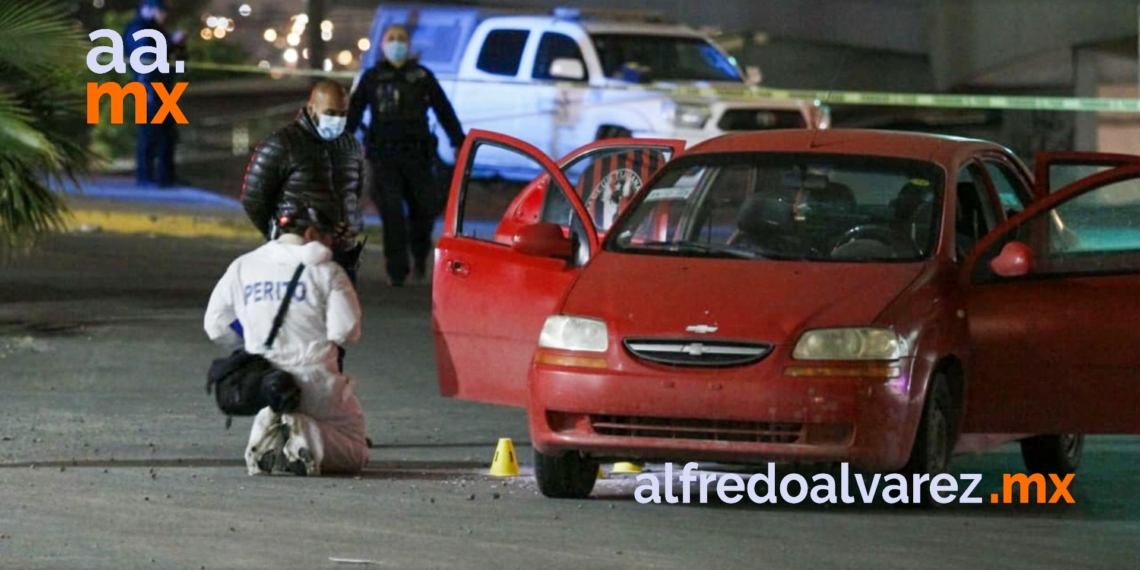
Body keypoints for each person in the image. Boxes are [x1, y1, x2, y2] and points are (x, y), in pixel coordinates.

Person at [204, 205, 369, 477]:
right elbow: (346, 332)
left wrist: (255, 341)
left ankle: (272, 424)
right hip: (317, 379)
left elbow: (216, 325)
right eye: (327, 236)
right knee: (355, 449)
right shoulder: (327, 271)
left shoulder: (243, 266)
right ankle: (304, 436)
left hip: (265, 381)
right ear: (311, 233)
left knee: (290, 409)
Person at [347, 24, 466, 287]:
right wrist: (341, 143)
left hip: (418, 156)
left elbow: (444, 110)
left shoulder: (422, 76)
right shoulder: (372, 77)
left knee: (423, 212)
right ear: (382, 45)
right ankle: (397, 271)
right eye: (392, 39)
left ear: (409, 45)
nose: (397, 43)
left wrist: (459, 140)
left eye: (401, 39)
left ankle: (420, 255)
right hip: (384, 157)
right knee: (392, 214)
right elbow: (354, 113)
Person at [241, 81, 366, 284]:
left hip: (342, 254)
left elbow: (353, 192)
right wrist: (282, 233)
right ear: (311, 108)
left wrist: (348, 222)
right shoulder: (282, 144)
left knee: (343, 313)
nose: (337, 120)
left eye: (343, 114)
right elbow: (254, 199)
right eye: (330, 113)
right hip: (297, 253)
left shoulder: (351, 146)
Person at [124, 0, 185, 187]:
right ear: (150, 10)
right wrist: (171, 43)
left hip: (161, 88)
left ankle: (166, 177)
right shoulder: (138, 29)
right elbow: (147, 56)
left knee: (167, 133)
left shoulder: (154, 29)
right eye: (161, 12)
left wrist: (176, 45)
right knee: (150, 132)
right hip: (149, 89)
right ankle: (146, 176)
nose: (164, 17)